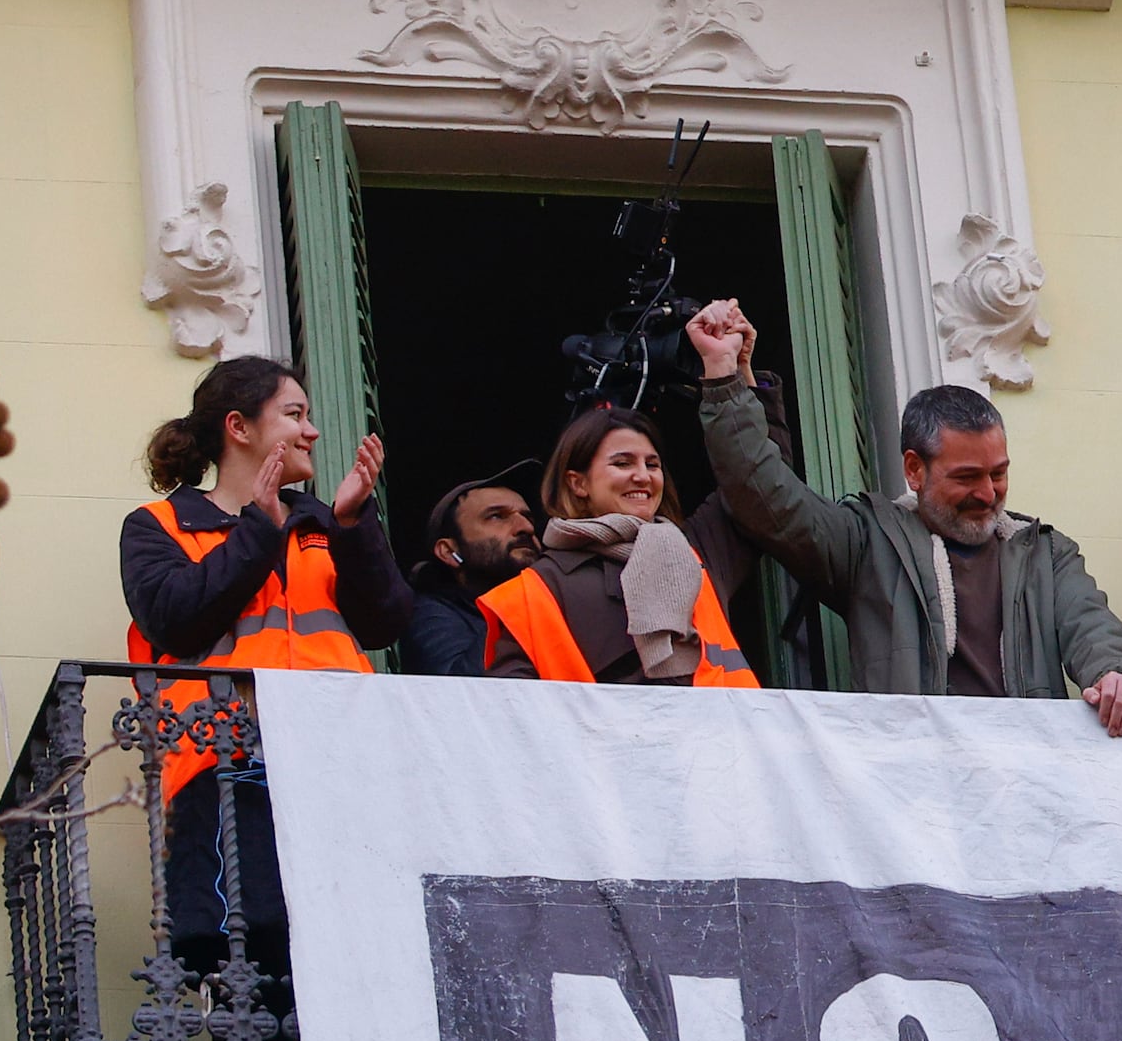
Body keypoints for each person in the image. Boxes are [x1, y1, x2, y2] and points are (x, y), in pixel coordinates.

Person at [683, 298, 1122, 733]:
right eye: (967, 477)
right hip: (911, 797)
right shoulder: (866, 541)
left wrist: (1116, 674)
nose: (988, 493)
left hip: (1026, 788)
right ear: (914, 469)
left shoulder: (1046, 553)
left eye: (999, 473)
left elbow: (1092, 626)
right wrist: (727, 377)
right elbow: (766, 498)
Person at [117, 352, 414, 977]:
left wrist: (356, 522)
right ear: (240, 427)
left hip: (340, 767)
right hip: (225, 773)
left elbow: (386, 621)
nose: (312, 431)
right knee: (248, 965)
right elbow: (174, 618)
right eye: (294, 414)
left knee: (359, 955)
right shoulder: (160, 525)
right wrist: (260, 527)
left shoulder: (327, 524)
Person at [478, 408, 760, 688]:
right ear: (578, 483)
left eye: (652, 465)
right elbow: (513, 710)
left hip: (721, 732)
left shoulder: (698, 550)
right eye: (623, 464)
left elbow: (757, 483)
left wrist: (731, 382)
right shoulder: (535, 590)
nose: (643, 476)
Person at [400, 477, 534, 679]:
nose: (526, 527)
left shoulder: (558, 595)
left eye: (528, 517)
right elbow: (458, 693)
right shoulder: (431, 613)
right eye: (497, 517)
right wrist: (515, 600)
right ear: (448, 551)